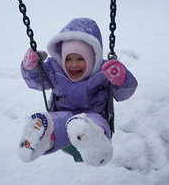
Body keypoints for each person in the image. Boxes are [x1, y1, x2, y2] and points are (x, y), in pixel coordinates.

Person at [18, 18, 138, 166]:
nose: (73, 64)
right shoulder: (56, 69)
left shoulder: (104, 70)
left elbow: (124, 93)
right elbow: (36, 81)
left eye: (80, 59)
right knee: (57, 124)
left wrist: (121, 79)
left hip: (94, 115)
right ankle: (42, 138)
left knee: (93, 126)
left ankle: (96, 148)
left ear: (92, 57)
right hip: (63, 114)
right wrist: (30, 68)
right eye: (69, 59)